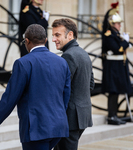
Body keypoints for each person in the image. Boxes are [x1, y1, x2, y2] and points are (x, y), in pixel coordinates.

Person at [0, 24, 71, 150]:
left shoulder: (23, 63)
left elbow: (10, 98)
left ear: (27, 41)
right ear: (46, 40)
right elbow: (66, 94)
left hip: (36, 128)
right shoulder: (62, 62)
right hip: (58, 126)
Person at [52, 18, 95, 150]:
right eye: (53, 35)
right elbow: (91, 84)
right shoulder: (83, 53)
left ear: (70, 35)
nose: (53, 39)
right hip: (81, 115)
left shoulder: (68, 56)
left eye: (57, 35)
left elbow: (59, 89)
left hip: (70, 118)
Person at [101, 2, 133, 125]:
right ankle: (111, 116)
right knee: (113, 91)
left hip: (118, 67)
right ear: (112, 24)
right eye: (118, 23)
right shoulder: (108, 35)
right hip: (112, 68)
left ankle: (114, 115)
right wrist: (125, 42)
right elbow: (117, 49)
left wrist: (124, 41)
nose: (120, 25)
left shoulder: (117, 35)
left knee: (117, 91)